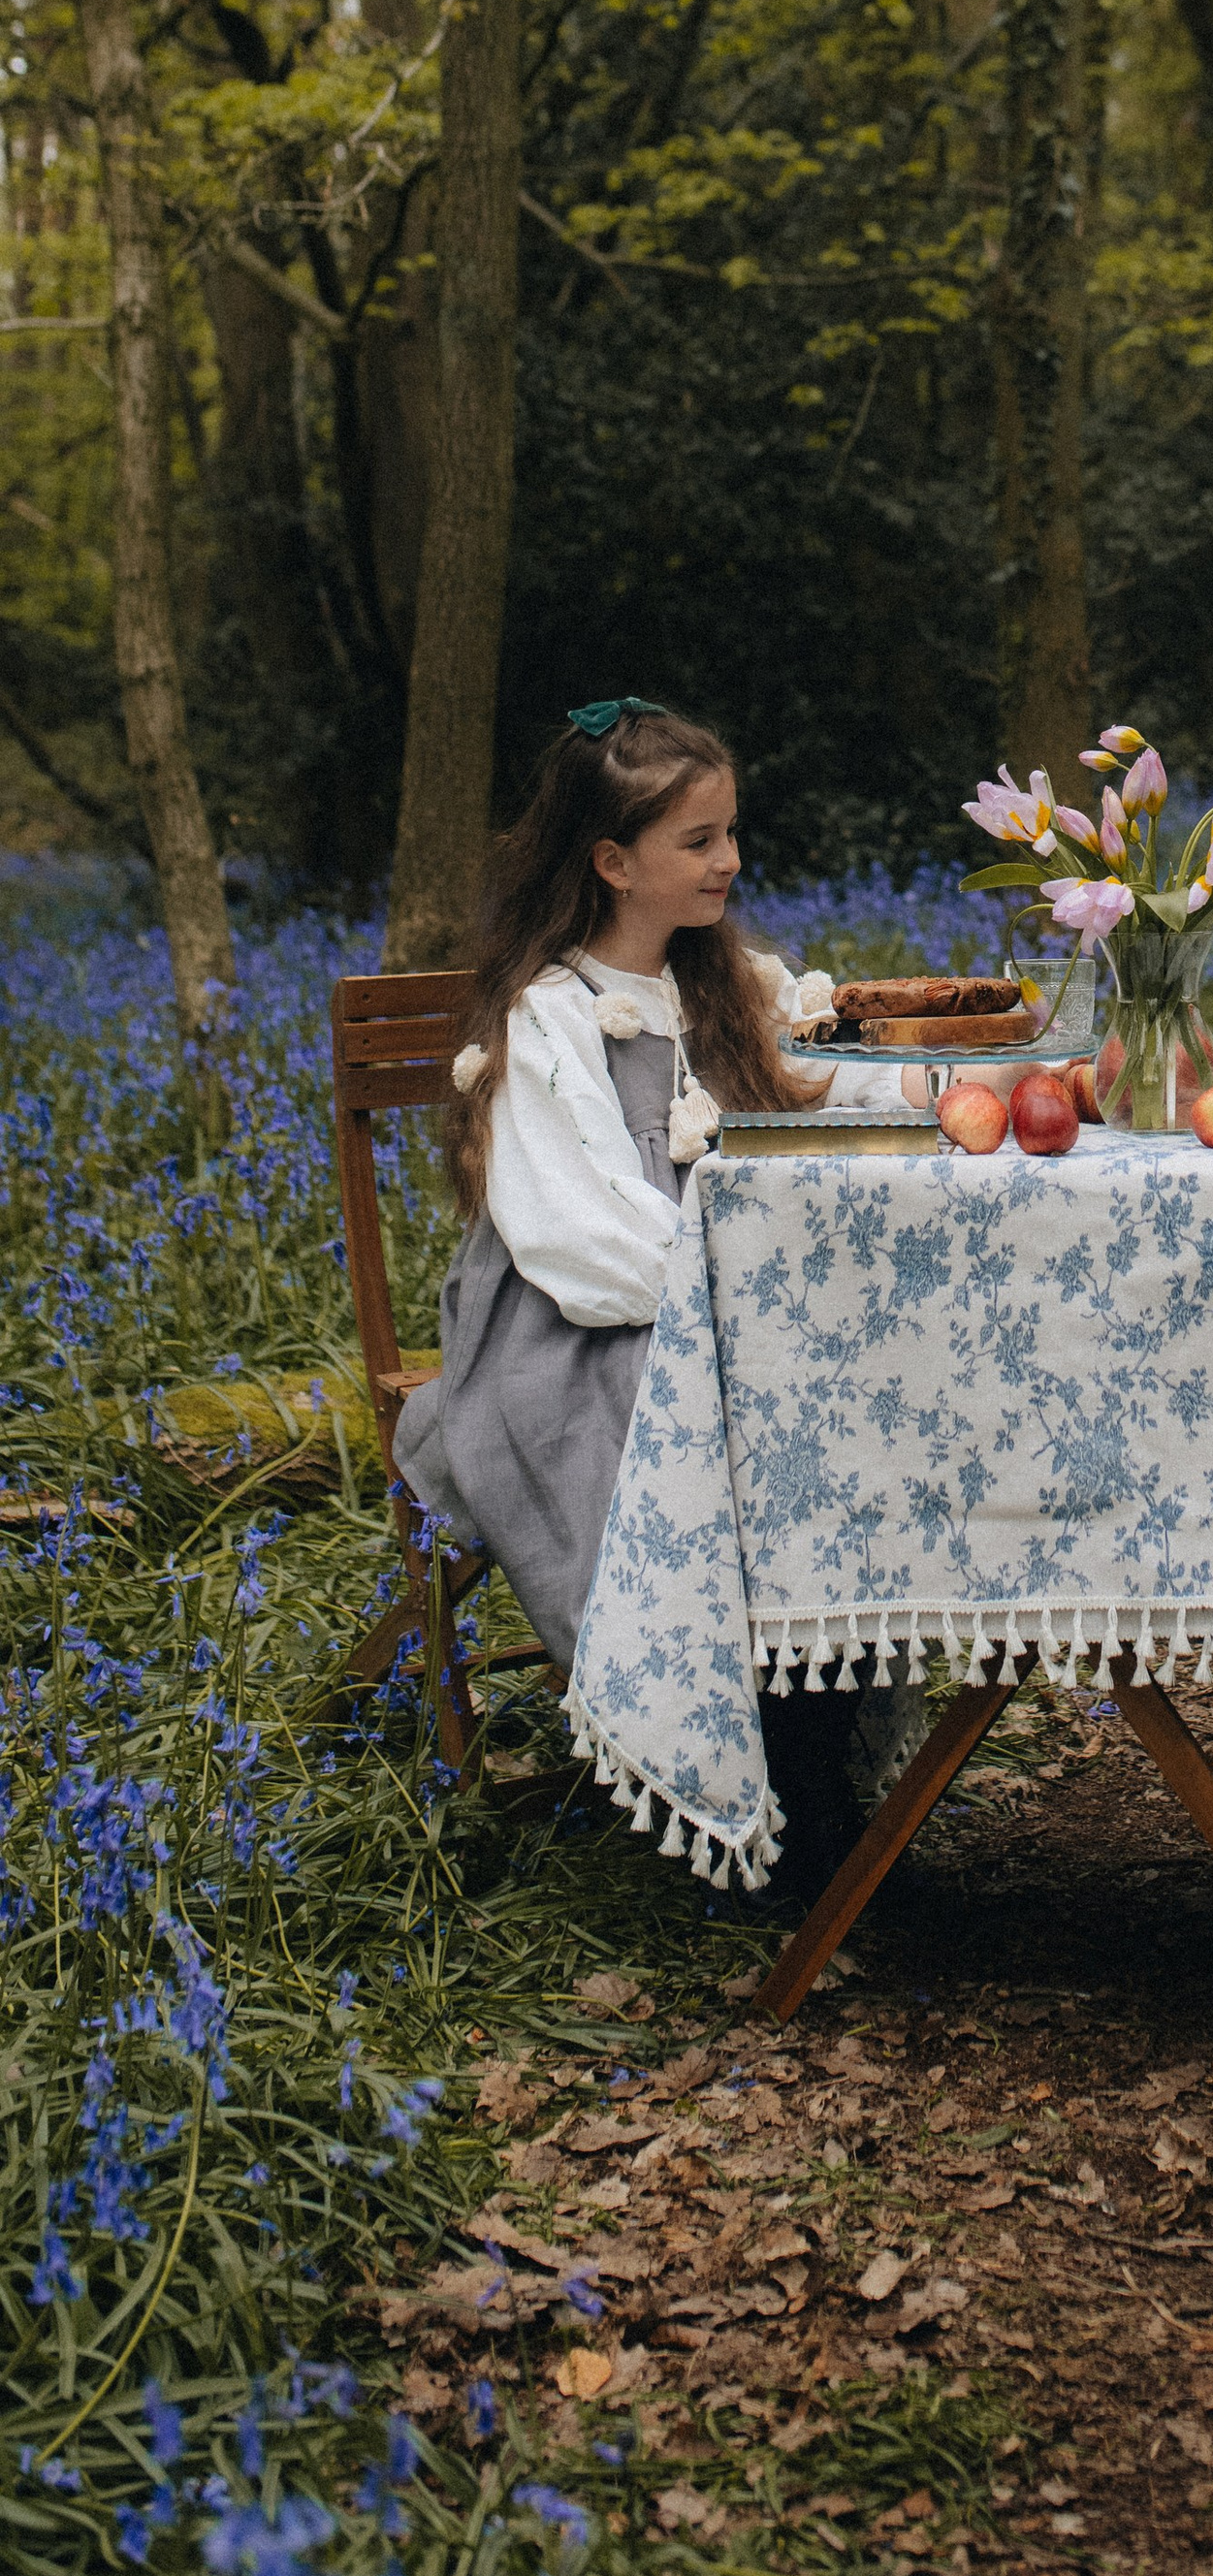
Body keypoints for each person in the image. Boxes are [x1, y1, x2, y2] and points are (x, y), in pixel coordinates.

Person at [394, 699, 913, 1893]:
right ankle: (750, 1780)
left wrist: (1003, 1072)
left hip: (721, 1309)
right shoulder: (551, 1019)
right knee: (709, 1430)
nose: (731, 861)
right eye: (700, 841)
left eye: (731, 834)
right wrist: (739, 1307)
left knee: (852, 1399)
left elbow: (845, 1082)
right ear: (613, 861)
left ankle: (807, 1749)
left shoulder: (728, 984)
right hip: (569, 1337)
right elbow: (583, 1240)